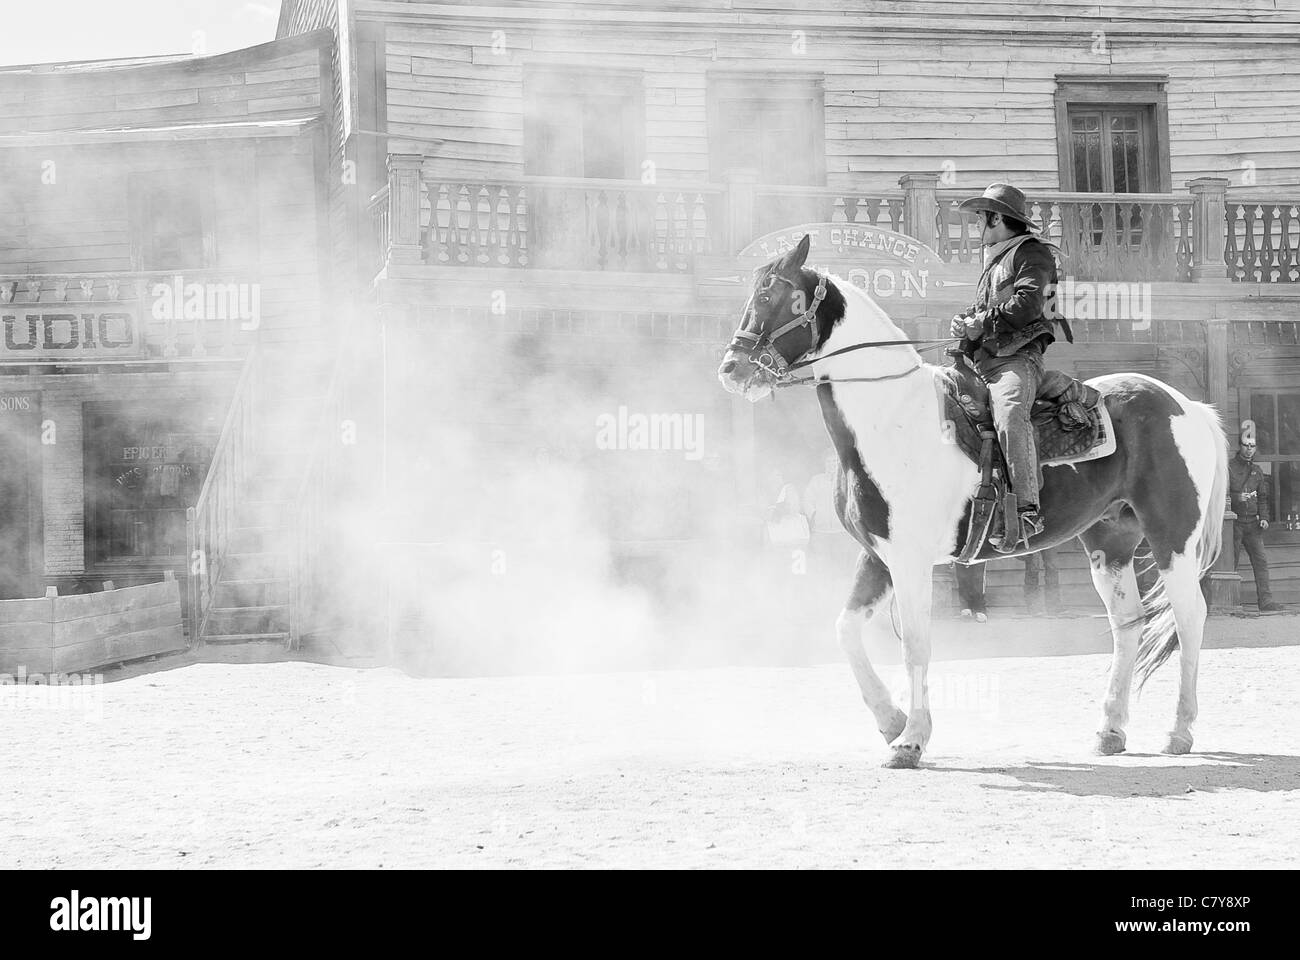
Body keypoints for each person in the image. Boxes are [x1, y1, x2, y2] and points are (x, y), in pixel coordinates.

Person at [950, 182, 1063, 553]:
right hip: (981, 361)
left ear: (997, 218)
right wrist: (965, 324)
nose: (978, 225)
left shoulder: (1033, 254)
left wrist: (980, 322)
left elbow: (1029, 304)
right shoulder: (996, 259)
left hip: (1016, 360)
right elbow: (986, 315)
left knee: (1010, 412)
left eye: (981, 218)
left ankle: (1028, 510)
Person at [1229, 437, 1281, 611]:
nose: (1249, 449)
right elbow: (1221, 496)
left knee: (1261, 563)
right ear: (1239, 446)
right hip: (1234, 524)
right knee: (1231, 564)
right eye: (1246, 445)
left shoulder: (1257, 471)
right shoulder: (1228, 467)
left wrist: (1264, 517)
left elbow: (1263, 498)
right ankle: (1230, 603)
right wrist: (1237, 498)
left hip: (1253, 524)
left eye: (1252, 446)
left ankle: (1265, 601)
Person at [1023, 544, 1062, 616]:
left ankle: (1054, 607)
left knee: (1052, 567)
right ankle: (1033, 607)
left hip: (1049, 537)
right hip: (1033, 538)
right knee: (1032, 568)